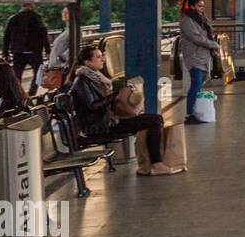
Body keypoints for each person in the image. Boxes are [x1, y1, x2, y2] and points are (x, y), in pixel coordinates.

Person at [71, 44, 179, 176]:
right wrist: (116, 95)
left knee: (153, 119)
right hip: (100, 127)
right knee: (154, 120)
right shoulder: (82, 81)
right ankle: (156, 164)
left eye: (102, 56)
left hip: (106, 121)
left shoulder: (95, 78)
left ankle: (149, 165)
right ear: (87, 62)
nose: (102, 59)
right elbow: (92, 105)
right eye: (98, 57)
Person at [179, 0, 221, 125]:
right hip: (194, 56)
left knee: (198, 85)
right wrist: (214, 45)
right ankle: (189, 113)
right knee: (195, 84)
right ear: (192, 6)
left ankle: (196, 111)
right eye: (199, 6)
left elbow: (206, 35)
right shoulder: (187, 21)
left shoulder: (202, 20)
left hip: (203, 56)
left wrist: (212, 47)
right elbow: (196, 38)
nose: (202, 8)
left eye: (203, 6)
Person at [2, 2, 48, 97]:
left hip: (18, 52)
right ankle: (31, 93)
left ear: (22, 6)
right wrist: (48, 50)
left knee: (17, 75)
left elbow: (6, 36)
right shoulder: (37, 18)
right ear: (32, 6)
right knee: (38, 72)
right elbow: (44, 35)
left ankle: (18, 94)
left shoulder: (13, 18)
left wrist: (5, 53)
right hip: (34, 51)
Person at [39, 5, 72, 91]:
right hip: (57, 65)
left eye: (67, 12)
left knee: (61, 88)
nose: (64, 14)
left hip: (62, 67)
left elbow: (74, 46)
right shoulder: (66, 30)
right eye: (63, 12)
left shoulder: (73, 30)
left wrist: (62, 58)